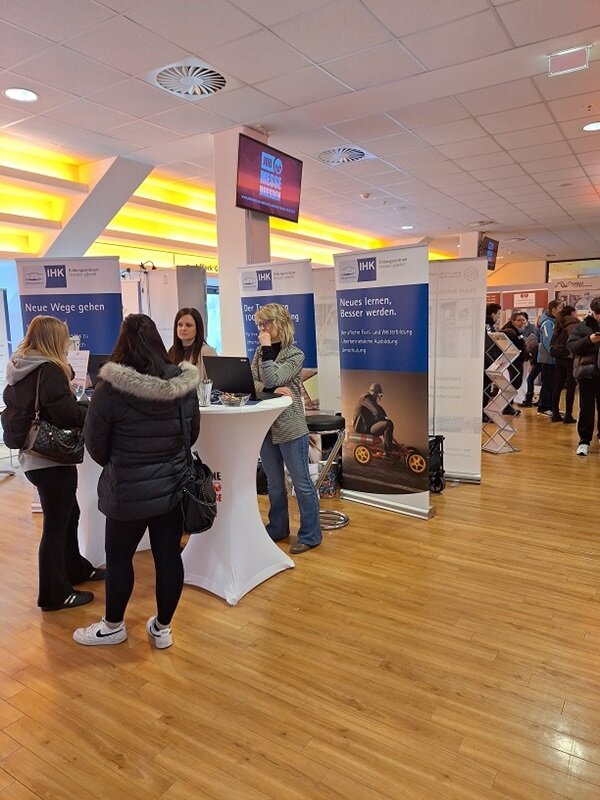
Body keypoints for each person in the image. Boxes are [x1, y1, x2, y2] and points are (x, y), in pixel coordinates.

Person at [73, 314, 200, 647]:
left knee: (119, 558)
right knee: (169, 557)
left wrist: (122, 462)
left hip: (126, 489)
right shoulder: (183, 385)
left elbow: (95, 444)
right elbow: (192, 433)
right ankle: (163, 628)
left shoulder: (109, 389)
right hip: (172, 487)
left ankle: (113, 626)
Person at [1, 316, 102, 611]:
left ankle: (75, 568)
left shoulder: (20, 368)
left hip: (34, 457)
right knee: (57, 526)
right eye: (64, 338)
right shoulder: (50, 370)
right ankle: (54, 594)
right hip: (51, 459)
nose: (68, 343)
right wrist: (90, 408)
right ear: (53, 339)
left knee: (69, 515)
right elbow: (66, 414)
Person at [251, 303, 321, 555]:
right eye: (259, 324)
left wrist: (267, 353)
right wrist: (270, 389)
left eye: (265, 323)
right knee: (274, 483)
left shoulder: (295, 354)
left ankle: (311, 535)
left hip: (290, 425)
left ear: (279, 323)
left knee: (301, 483)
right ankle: (278, 527)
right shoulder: (259, 352)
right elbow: (251, 382)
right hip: (265, 425)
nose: (261, 329)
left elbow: (272, 378)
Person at [567, 297, 600, 457]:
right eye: (598, 313)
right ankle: (584, 441)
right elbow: (572, 346)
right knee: (586, 408)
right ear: (593, 312)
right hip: (587, 373)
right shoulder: (583, 327)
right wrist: (589, 340)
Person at [167, 307, 217, 378]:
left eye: (188, 325)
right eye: (180, 325)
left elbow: (215, 381)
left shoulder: (207, 352)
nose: (183, 329)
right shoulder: (172, 351)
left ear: (197, 328)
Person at [550, 305, 579, 424]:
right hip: (569, 358)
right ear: (572, 313)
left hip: (559, 357)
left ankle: (555, 414)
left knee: (557, 386)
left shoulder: (559, 322)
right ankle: (568, 415)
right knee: (571, 387)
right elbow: (575, 342)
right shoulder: (573, 323)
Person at [536, 299, 564, 417]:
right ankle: (543, 407)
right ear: (553, 309)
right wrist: (554, 353)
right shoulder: (547, 323)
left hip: (553, 359)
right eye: (560, 308)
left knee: (553, 383)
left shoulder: (555, 322)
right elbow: (548, 341)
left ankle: (552, 407)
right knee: (548, 383)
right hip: (548, 359)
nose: (562, 310)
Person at [353, 383, 395, 457]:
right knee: (388, 424)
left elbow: (379, 409)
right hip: (362, 428)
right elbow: (376, 410)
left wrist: (385, 417)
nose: (380, 397)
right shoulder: (366, 398)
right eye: (379, 395)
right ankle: (388, 452)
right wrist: (384, 418)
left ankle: (389, 445)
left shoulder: (370, 400)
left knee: (387, 423)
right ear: (375, 393)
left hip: (368, 426)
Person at [500, 312, 527, 416]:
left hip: (518, 359)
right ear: (513, 321)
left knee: (517, 383)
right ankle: (507, 406)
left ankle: (508, 405)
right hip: (513, 360)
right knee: (515, 383)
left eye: (523, 320)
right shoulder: (510, 331)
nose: (522, 322)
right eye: (519, 320)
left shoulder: (518, 331)